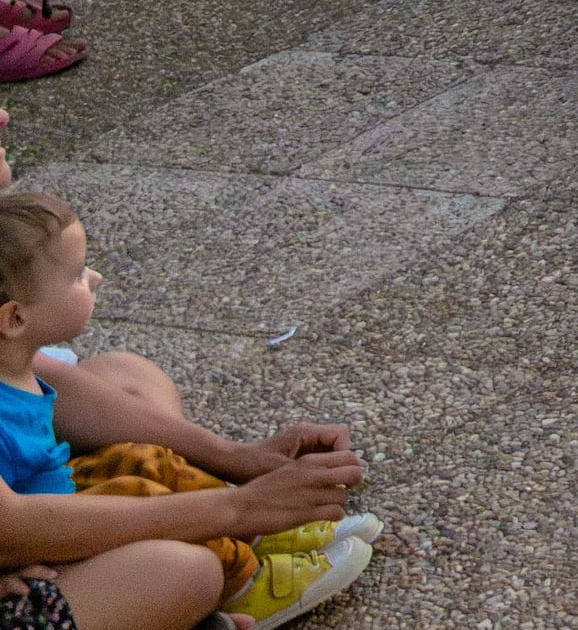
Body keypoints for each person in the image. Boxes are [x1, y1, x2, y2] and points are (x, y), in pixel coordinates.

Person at [0, 195, 371, 630]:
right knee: (183, 569)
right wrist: (239, 505)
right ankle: (241, 580)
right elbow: (12, 529)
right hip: (26, 544)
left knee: (134, 396)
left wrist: (236, 458)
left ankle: (243, 543)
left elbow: (64, 385)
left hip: (33, 513)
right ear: (14, 319)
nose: (96, 278)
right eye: (79, 275)